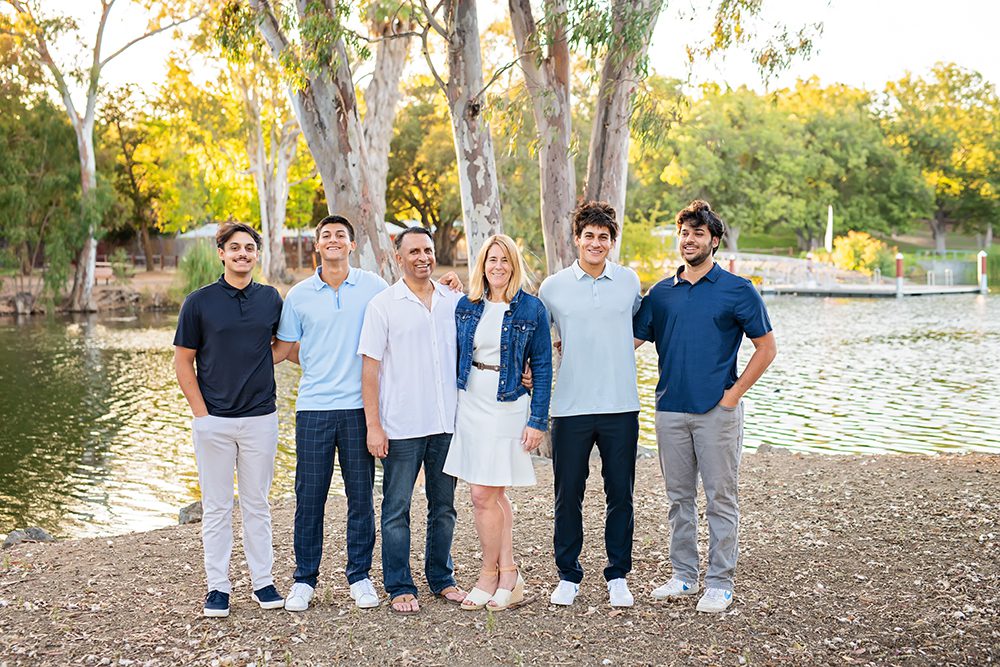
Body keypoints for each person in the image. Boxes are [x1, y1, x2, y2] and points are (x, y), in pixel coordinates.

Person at [633, 200, 777, 614]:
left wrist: (733, 396)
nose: (689, 240)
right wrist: (562, 346)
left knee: (720, 497)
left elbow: (766, 349)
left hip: (717, 412)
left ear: (713, 241)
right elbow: (628, 344)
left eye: (698, 233)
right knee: (678, 498)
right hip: (669, 411)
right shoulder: (661, 293)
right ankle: (683, 575)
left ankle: (719, 581)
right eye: (683, 233)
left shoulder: (738, 289)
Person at [271, 216, 388, 612]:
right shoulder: (299, 295)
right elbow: (285, 348)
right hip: (314, 409)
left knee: (361, 496)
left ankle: (360, 577)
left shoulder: (374, 287)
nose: (333, 240)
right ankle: (304, 579)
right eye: (326, 236)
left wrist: (450, 286)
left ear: (352, 245)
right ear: (317, 246)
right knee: (309, 498)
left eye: (341, 235)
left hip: (359, 409)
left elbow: (407, 312)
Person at [173, 222, 285, 618]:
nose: (242, 254)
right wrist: (201, 415)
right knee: (218, 508)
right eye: (234, 247)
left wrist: (256, 362)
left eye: (249, 248)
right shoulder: (198, 302)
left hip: (260, 419)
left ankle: (263, 583)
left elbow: (284, 345)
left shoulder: (271, 299)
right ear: (221, 253)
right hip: (213, 422)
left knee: (257, 504)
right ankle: (218, 588)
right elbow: (182, 361)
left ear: (257, 254)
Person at [537, 201, 643, 608]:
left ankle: (618, 574)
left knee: (621, 493)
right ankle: (568, 575)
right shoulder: (553, 287)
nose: (596, 243)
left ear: (612, 241)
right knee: (568, 495)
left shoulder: (629, 281)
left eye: (603, 237)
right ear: (576, 239)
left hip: (621, 405)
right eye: (589, 236)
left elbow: (636, 327)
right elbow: (537, 337)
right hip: (570, 407)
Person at [357, 227, 466, 615]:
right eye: (414, 251)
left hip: (445, 423)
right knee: (396, 508)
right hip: (401, 425)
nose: (423, 257)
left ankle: (441, 577)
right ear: (398, 257)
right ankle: (400, 584)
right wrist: (374, 426)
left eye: (428, 250)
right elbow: (370, 369)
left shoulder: (453, 300)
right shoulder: (383, 305)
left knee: (444, 506)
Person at [443, 235, 552, 612]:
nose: (499, 267)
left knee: (482, 495)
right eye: (492, 260)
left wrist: (538, 420)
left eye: (505, 260)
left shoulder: (531, 309)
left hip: (507, 404)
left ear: (514, 265)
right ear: (482, 265)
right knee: (493, 494)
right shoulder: (466, 306)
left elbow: (542, 367)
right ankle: (509, 574)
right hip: (470, 400)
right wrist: (447, 286)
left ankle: (489, 574)